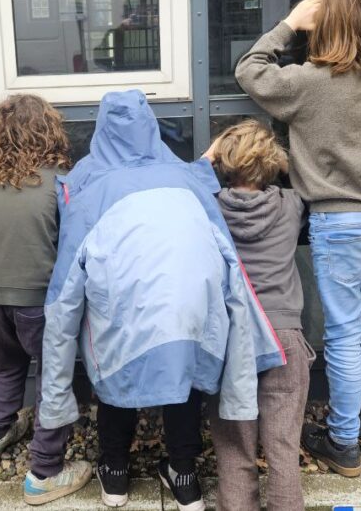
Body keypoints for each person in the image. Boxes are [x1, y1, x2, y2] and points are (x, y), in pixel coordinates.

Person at [39, 89, 285, 511]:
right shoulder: (183, 174)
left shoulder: (87, 180)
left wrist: (56, 393)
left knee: (115, 369)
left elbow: (65, 292)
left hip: (123, 299)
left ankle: (114, 474)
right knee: (183, 375)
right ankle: (184, 477)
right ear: (151, 127)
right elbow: (205, 188)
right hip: (190, 298)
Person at [235, 0, 361, 477]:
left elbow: (250, 70)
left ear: (329, 21)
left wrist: (288, 25)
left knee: (343, 334)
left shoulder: (309, 83)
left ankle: (344, 442)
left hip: (335, 224)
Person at [0, 94, 91, 505]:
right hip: (39, 300)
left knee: (6, 367)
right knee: (52, 380)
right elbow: (72, 238)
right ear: (48, 131)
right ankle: (44, 472)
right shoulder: (58, 178)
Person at [202, 119, 315, 511]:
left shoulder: (209, 207)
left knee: (234, 450)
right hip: (283, 336)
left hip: (234, 341)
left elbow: (191, 179)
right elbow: (309, 176)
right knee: (284, 448)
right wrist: (274, 159)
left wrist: (216, 152)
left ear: (223, 163)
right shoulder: (290, 205)